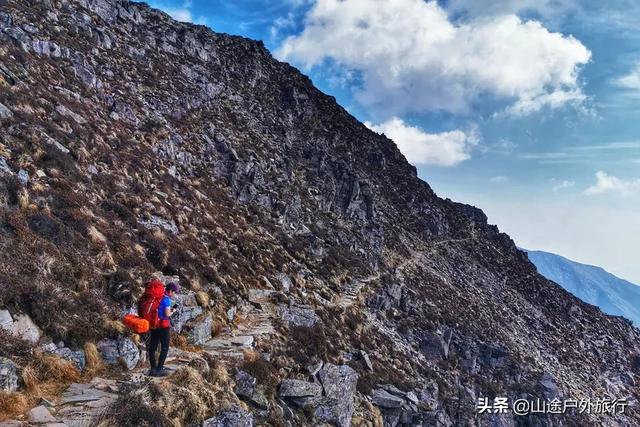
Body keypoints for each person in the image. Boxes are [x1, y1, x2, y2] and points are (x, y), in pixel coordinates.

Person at [148, 282, 179, 377]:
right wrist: (173, 310)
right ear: (170, 291)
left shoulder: (157, 297)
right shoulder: (166, 300)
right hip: (163, 326)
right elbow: (167, 314)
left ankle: (153, 368)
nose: (175, 294)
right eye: (174, 292)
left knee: (152, 346)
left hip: (154, 325)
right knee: (165, 347)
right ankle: (160, 368)